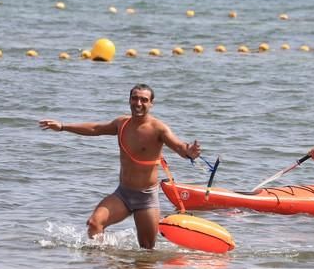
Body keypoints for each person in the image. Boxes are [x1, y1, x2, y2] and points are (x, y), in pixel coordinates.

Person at [39, 84, 201, 249]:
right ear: (129, 100)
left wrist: (189, 152)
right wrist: (63, 126)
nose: (138, 103)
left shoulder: (159, 129)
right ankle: (100, 266)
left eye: (144, 100)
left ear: (151, 103)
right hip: (122, 195)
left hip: (146, 199)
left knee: (147, 250)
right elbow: (96, 128)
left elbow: (180, 147)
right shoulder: (121, 123)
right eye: (134, 98)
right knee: (94, 224)